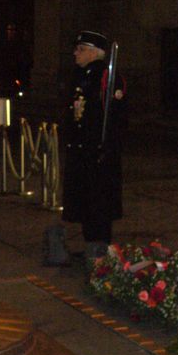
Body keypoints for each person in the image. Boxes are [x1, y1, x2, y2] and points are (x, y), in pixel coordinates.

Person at [62, 30, 126, 258]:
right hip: (82, 150)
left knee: (99, 204)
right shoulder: (81, 74)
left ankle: (100, 248)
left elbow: (116, 116)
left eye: (80, 49)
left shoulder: (106, 76)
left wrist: (105, 145)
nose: (75, 53)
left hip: (99, 151)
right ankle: (91, 245)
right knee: (85, 202)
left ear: (92, 52)